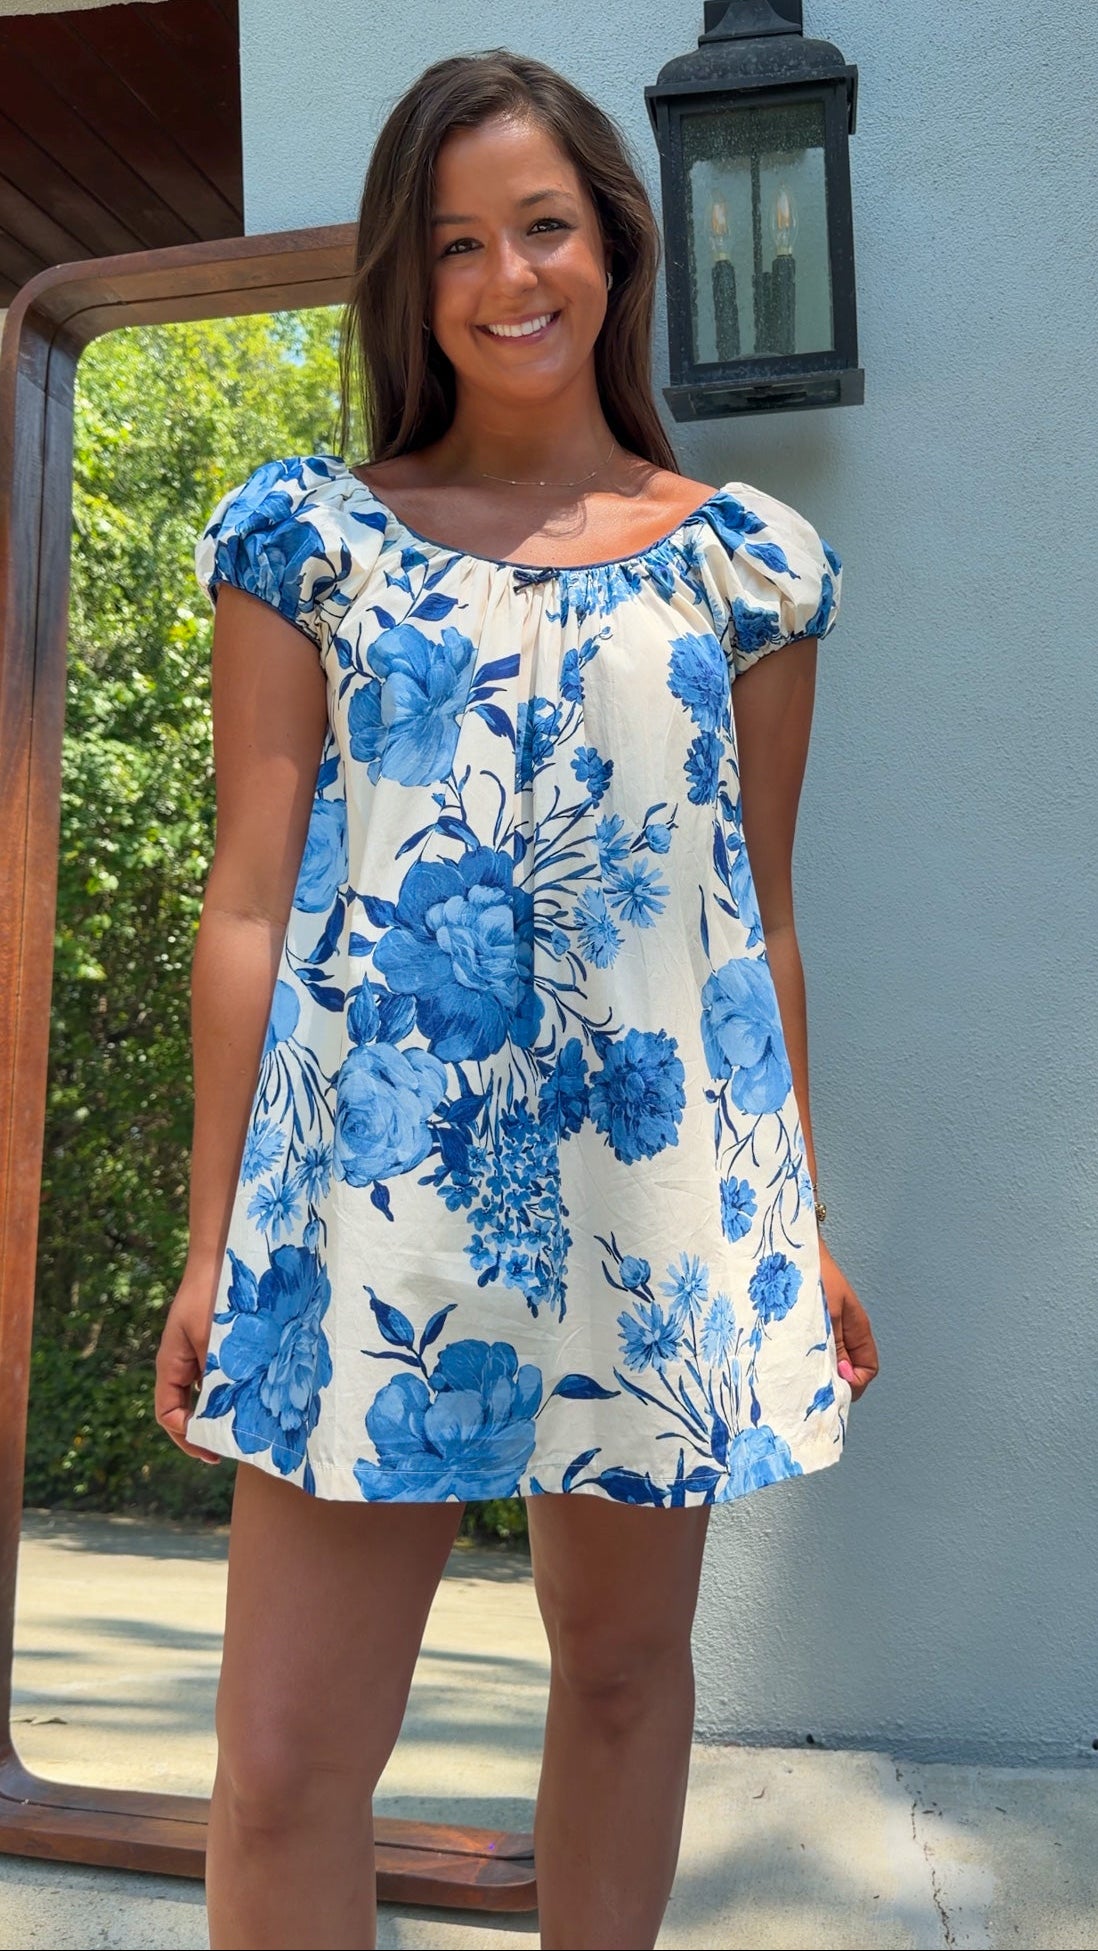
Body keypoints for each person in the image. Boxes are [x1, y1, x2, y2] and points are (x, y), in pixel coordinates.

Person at [154, 48, 879, 1951]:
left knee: (628, 1684)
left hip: (663, 1204)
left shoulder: (751, 567)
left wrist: (797, 1222)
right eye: (458, 243)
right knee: (289, 1757)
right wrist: (213, 1234)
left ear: (614, 248)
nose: (508, 281)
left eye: (543, 227)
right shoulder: (305, 539)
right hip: (363, 1211)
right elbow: (246, 907)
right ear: (412, 278)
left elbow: (760, 927)